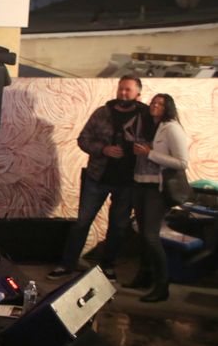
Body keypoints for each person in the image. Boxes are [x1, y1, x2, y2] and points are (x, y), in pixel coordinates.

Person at [48, 75, 151, 281]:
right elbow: (83, 139)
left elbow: (156, 141)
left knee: (118, 227)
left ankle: (108, 266)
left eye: (128, 90)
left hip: (128, 181)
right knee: (82, 223)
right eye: (121, 88)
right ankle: (67, 264)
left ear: (138, 94)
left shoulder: (146, 116)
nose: (123, 93)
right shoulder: (103, 112)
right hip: (97, 177)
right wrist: (103, 149)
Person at [127, 93, 188, 302]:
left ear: (167, 107)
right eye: (153, 102)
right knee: (142, 234)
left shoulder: (172, 128)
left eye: (161, 104)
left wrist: (150, 154)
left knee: (151, 236)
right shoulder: (147, 125)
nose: (155, 105)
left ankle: (163, 286)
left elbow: (182, 162)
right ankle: (145, 276)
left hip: (158, 188)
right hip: (140, 183)